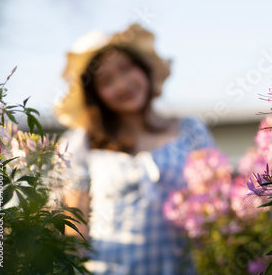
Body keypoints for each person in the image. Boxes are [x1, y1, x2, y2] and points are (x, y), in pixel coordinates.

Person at [54, 23, 215, 274]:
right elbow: (76, 232)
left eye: (126, 68)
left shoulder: (190, 130)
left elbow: (216, 201)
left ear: (143, 69)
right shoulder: (81, 143)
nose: (121, 84)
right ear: (95, 95)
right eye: (106, 81)